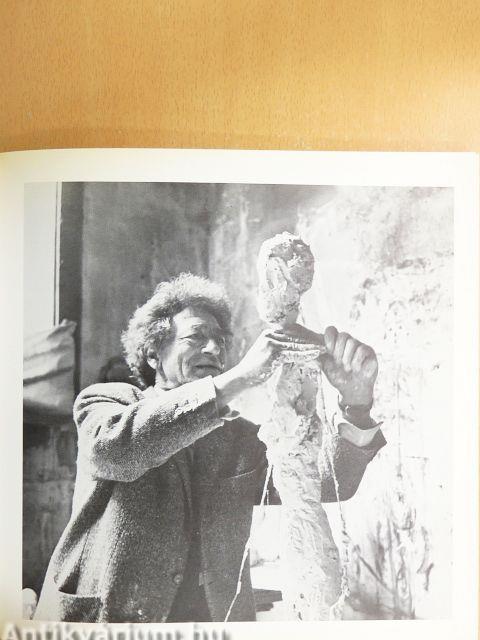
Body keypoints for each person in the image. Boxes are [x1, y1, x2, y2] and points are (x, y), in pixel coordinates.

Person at [34, 273, 386, 623]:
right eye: (196, 336)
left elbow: (321, 482)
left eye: (220, 340)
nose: (215, 349)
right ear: (154, 353)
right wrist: (241, 377)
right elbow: (115, 452)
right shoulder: (106, 402)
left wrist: (356, 405)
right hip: (106, 622)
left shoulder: (238, 436)